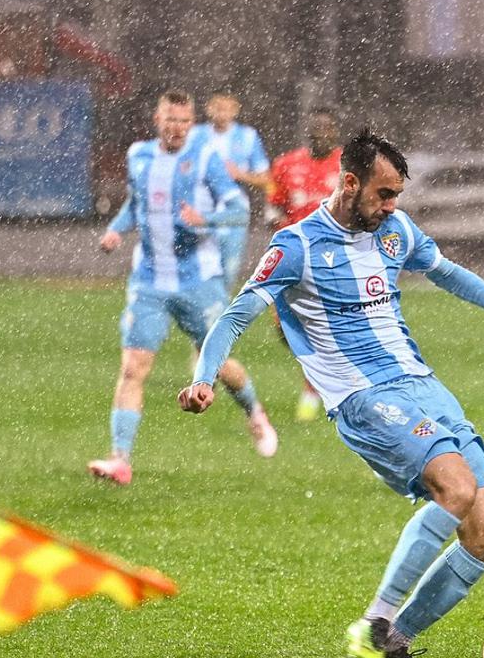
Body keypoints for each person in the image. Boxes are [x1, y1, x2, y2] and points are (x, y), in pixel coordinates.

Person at [179, 131, 484, 658]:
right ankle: (376, 623)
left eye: (396, 195)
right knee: (456, 488)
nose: (391, 206)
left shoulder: (395, 230)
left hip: (423, 385)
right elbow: (234, 317)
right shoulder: (296, 246)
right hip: (363, 398)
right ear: (350, 183)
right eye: (383, 194)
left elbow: (442, 269)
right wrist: (204, 379)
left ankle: (392, 644)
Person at [90, 90, 277, 486]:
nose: (176, 128)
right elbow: (135, 204)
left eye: (184, 121)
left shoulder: (205, 157)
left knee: (220, 366)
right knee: (132, 368)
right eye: (170, 120)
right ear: (157, 120)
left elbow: (238, 209)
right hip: (149, 282)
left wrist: (204, 219)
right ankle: (120, 459)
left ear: (192, 124)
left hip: (198, 282)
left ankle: (254, 413)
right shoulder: (139, 155)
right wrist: (116, 230)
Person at [266, 107, 344, 422]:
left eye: (327, 128)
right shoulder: (286, 164)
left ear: (336, 132)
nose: (321, 133)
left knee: (323, 325)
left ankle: (315, 390)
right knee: (284, 327)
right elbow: (273, 208)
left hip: (333, 259)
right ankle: (323, 372)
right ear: (308, 131)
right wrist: (279, 228)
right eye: (317, 128)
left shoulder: (347, 166)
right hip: (293, 256)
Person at [190, 93, 271, 286]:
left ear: (235, 111)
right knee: (195, 270)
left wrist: (240, 174)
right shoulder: (195, 135)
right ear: (208, 109)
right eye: (217, 107)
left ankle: (220, 302)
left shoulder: (247, 136)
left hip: (233, 212)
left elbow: (265, 178)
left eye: (226, 108)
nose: (221, 113)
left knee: (228, 272)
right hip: (200, 210)